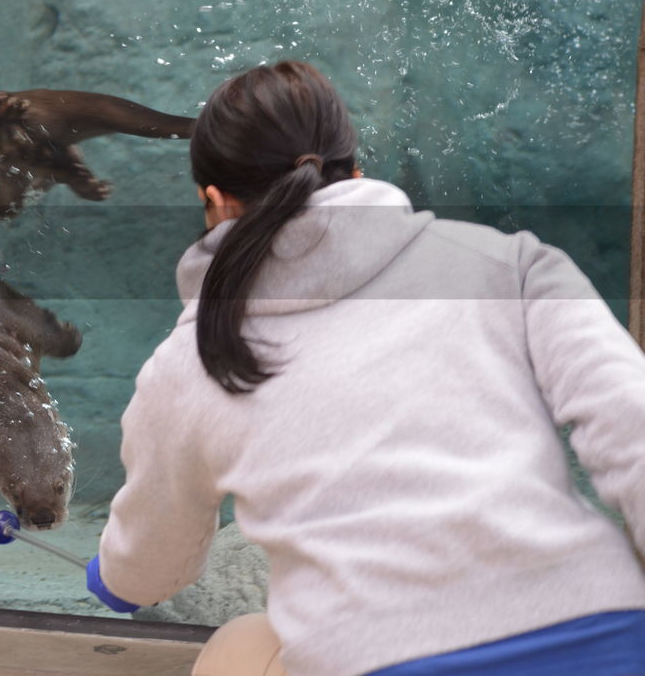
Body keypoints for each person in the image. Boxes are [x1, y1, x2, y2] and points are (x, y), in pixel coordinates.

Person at [85, 60, 645, 675]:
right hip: (607, 641)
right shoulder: (510, 264)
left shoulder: (195, 355)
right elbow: (631, 421)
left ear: (214, 202)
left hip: (380, 661)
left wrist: (114, 578)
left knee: (242, 646)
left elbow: (152, 566)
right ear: (354, 170)